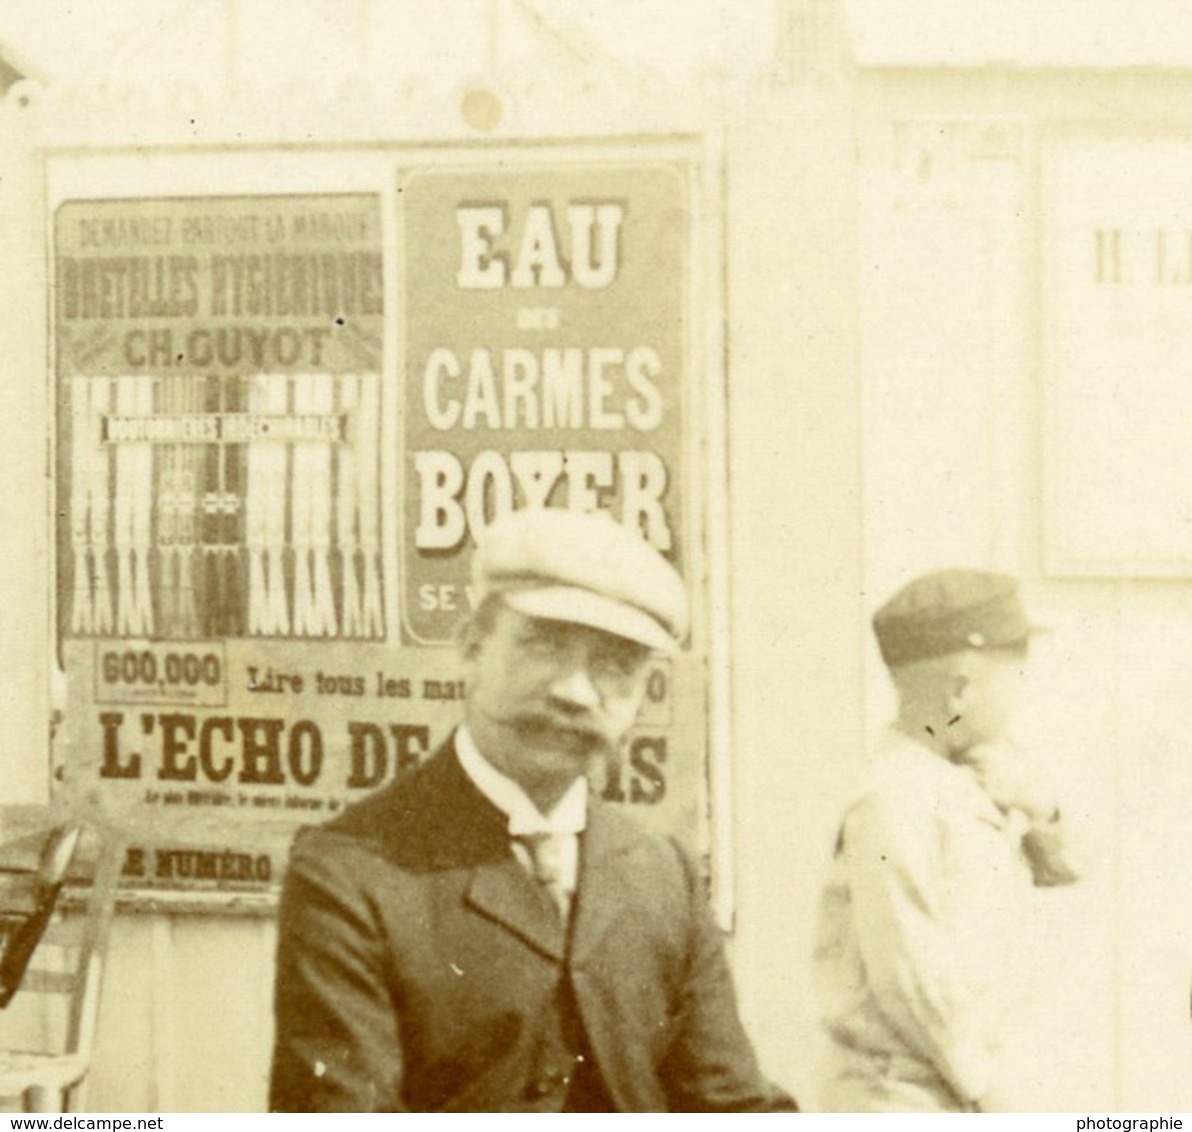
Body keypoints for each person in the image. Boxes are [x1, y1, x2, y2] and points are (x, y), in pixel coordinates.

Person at [269, 507, 796, 1112]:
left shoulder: (662, 874)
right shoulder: (351, 874)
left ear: (644, 690)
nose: (574, 691)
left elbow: (729, 1104)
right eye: (543, 646)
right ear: (471, 647)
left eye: (615, 664)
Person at [813, 569, 1079, 1113]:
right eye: (1015, 675)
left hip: (954, 1089)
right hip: (901, 1097)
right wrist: (988, 1090)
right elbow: (911, 976)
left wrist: (1043, 808)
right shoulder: (893, 798)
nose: (1021, 693)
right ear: (960, 689)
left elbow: (1068, 867)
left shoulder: (970, 776)